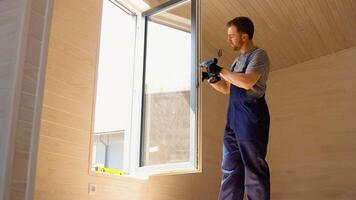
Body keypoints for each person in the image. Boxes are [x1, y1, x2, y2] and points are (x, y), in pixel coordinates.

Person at [205, 16, 271, 200]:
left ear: (244, 36)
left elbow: (247, 82)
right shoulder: (236, 62)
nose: (228, 40)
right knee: (230, 166)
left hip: (251, 114)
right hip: (233, 117)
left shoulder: (258, 55)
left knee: (253, 166)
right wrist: (213, 78)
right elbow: (227, 89)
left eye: (231, 36)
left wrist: (221, 71)